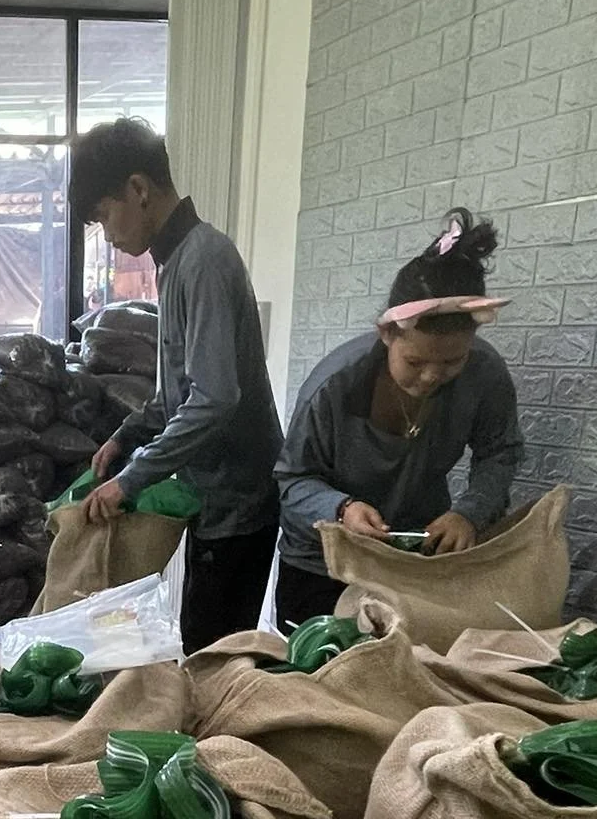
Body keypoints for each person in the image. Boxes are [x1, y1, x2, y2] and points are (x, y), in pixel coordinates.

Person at [69, 118, 285, 654]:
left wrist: (133, 479)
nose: (110, 235)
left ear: (138, 190)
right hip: (212, 493)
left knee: (217, 658)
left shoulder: (204, 260)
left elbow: (216, 398)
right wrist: (126, 435)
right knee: (203, 642)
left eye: (104, 215)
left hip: (238, 501)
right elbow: (176, 393)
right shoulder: (177, 263)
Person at [274, 208, 524, 628]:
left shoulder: (484, 374)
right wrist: (341, 509)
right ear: (386, 334)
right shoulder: (334, 386)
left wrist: (470, 512)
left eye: (451, 361)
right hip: (322, 567)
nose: (431, 376)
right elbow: (292, 480)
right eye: (415, 361)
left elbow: (500, 453)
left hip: (414, 565)